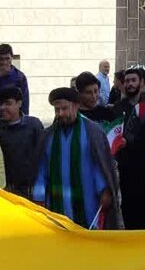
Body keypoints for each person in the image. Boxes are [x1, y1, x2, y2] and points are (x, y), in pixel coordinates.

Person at [33, 88, 121, 229]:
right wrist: (38, 196)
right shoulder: (48, 136)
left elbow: (99, 165)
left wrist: (104, 190)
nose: (60, 113)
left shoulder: (93, 132)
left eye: (64, 108)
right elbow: (41, 169)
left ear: (76, 106)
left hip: (88, 201)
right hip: (56, 204)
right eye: (57, 110)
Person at [0, 84, 43, 200]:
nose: (3, 108)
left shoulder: (33, 125)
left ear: (19, 103)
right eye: (1, 104)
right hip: (5, 188)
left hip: (31, 188)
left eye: (8, 103)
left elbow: (43, 154)